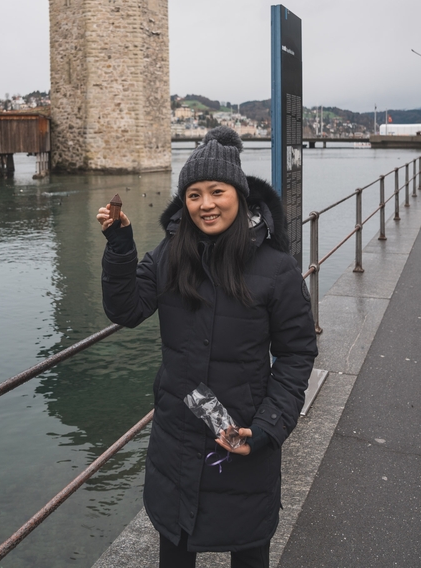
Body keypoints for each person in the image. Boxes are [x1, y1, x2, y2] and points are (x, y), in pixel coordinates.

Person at [97, 127, 317, 568]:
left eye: (217, 191)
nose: (206, 204)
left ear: (238, 193)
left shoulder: (277, 268)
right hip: (177, 439)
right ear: (184, 201)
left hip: (245, 434)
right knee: (174, 549)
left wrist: (271, 425)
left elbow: (296, 353)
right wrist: (120, 247)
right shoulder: (169, 254)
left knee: (249, 548)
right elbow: (127, 310)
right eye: (194, 195)